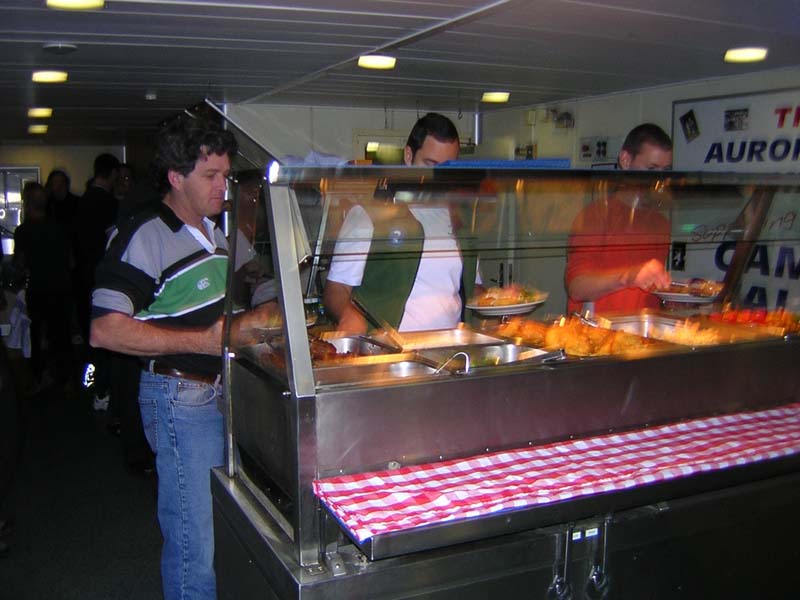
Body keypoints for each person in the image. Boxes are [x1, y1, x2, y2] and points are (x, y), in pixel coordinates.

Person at [89, 117, 274, 600]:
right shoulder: (144, 234)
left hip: (223, 390)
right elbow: (104, 329)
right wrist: (203, 340)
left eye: (226, 176)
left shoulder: (214, 232)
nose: (223, 187)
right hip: (179, 397)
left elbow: (258, 280)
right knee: (195, 537)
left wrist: (284, 305)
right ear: (176, 177)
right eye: (210, 176)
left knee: (228, 524)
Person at [324, 112, 481, 333]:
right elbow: (336, 289)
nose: (438, 176)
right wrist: (349, 314)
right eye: (430, 164)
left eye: (447, 168)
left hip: (450, 349)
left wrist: (504, 301)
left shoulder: (459, 218)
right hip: (393, 352)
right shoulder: (369, 215)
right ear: (408, 155)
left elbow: (472, 286)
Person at [565, 123, 673, 314]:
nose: (659, 181)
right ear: (625, 160)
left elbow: (650, 292)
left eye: (665, 171)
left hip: (644, 333)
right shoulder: (595, 216)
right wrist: (628, 276)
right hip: (598, 334)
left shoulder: (660, 222)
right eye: (651, 169)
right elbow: (577, 287)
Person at [12, 182, 74, 389]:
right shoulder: (59, 228)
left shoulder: (23, 231)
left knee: (36, 334)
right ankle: (65, 378)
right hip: (60, 288)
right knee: (61, 335)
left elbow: (19, 263)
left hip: (38, 288)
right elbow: (70, 260)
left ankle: (38, 377)